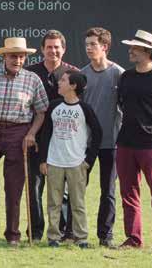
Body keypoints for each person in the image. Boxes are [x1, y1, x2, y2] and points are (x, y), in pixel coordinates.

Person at [0, 37, 48, 246]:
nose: (18, 60)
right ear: (4, 56)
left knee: (14, 186)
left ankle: (13, 234)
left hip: (19, 134)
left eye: (22, 56)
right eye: (14, 56)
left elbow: (41, 111)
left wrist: (31, 133)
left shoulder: (33, 79)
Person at [117, 30, 152, 251]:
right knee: (128, 193)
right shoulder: (126, 77)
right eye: (131, 46)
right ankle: (133, 239)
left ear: (148, 52)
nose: (130, 50)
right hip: (125, 144)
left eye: (135, 47)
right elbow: (122, 105)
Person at [25, 29, 79, 242]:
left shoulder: (73, 74)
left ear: (63, 49)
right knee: (35, 188)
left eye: (57, 47)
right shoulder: (30, 73)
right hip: (36, 139)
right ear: (42, 49)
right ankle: (35, 233)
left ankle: (63, 233)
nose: (53, 51)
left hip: (64, 141)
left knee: (63, 191)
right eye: (49, 47)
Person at [38, 70, 102, 249]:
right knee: (53, 202)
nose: (60, 83)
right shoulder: (54, 106)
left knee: (78, 203)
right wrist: (43, 160)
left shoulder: (85, 109)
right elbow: (46, 134)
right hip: (54, 162)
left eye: (64, 80)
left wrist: (88, 160)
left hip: (77, 163)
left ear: (73, 86)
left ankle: (81, 238)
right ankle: (53, 237)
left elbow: (98, 133)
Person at [80, 27, 124, 247]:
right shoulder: (82, 75)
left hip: (111, 143)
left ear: (104, 46)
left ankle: (105, 237)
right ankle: (73, 233)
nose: (88, 48)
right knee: (77, 189)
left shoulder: (119, 73)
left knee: (108, 191)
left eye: (93, 44)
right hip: (85, 144)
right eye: (87, 44)